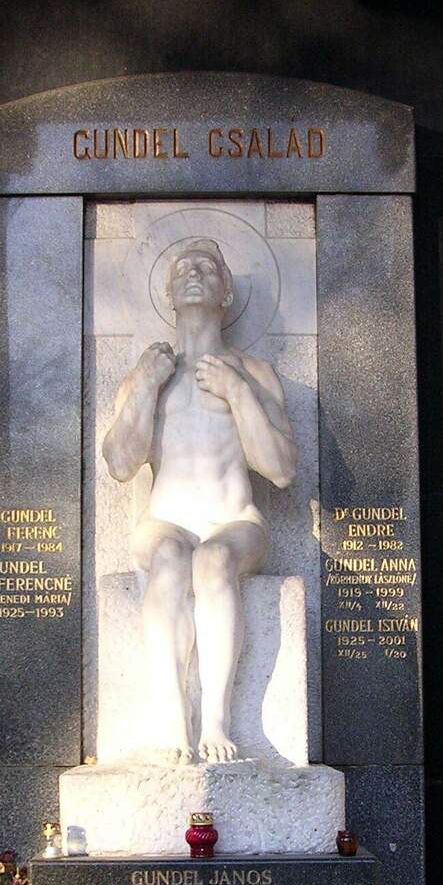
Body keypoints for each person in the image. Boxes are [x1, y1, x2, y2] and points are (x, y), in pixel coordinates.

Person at [102, 238, 297, 764]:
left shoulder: (253, 373)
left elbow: (281, 470)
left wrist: (236, 391)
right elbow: (120, 463)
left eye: (208, 267)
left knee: (212, 560)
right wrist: (146, 386)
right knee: (170, 559)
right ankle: (174, 721)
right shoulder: (146, 372)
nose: (194, 273)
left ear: (226, 291)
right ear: (167, 292)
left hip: (234, 520)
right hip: (164, 520)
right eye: (182, 267)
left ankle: (215, 719)